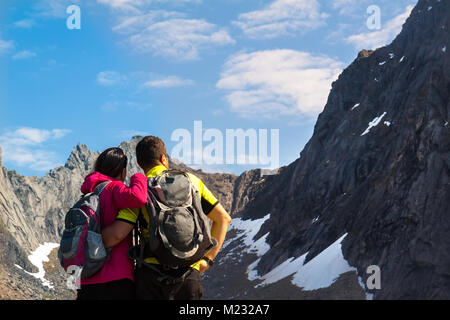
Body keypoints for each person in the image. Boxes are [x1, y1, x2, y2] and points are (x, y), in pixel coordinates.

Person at [102, 136, 232, 300]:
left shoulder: (140, 191)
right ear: (164, 158)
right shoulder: (192, 181)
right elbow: (223, 218)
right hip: (188, 276)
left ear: (140, 164)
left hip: (150, 276)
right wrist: (207, 260)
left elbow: (117, 235)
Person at [76, 147, 148, 300]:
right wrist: (138, 177)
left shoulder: (87, 195)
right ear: (122, 172)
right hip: (115, 278)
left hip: (85, 280)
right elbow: (139, 197)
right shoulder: (114, 188)